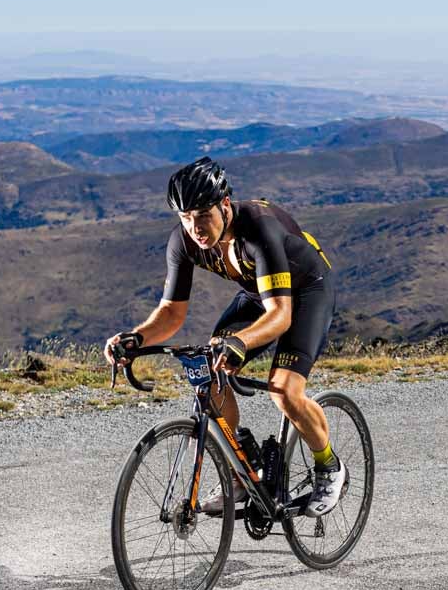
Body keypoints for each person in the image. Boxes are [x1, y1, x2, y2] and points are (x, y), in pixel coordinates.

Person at [103, 156, 344, 516]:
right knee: (208, 369)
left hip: (306, 292)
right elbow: (171, 313)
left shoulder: (259, 229)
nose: (194, 227)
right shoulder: (184, 242)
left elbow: (280, 314)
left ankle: (329, 466)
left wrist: (241, 342)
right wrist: (136, 338)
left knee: (284, 392)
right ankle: (242, 470)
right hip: (256, 294)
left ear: (225, 205)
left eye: (202, 215)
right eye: (185, 217)